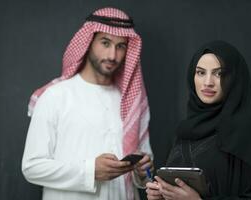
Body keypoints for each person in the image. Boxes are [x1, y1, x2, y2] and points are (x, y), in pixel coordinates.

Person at [22, 7, 153, 200]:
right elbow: (32, 167)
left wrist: (143, 174)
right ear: (88, 42)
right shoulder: (56, 96)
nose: (112, 55)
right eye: (105, 43)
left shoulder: (132, 103)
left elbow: (144, 170)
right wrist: (89, 171)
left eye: (121, 46)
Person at [146, 41, 251, 200]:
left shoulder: (241, 137)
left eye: (219, 74)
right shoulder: (182, 133)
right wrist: (159, 194)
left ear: (234, 79)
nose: (208, 82)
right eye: (201, 72)